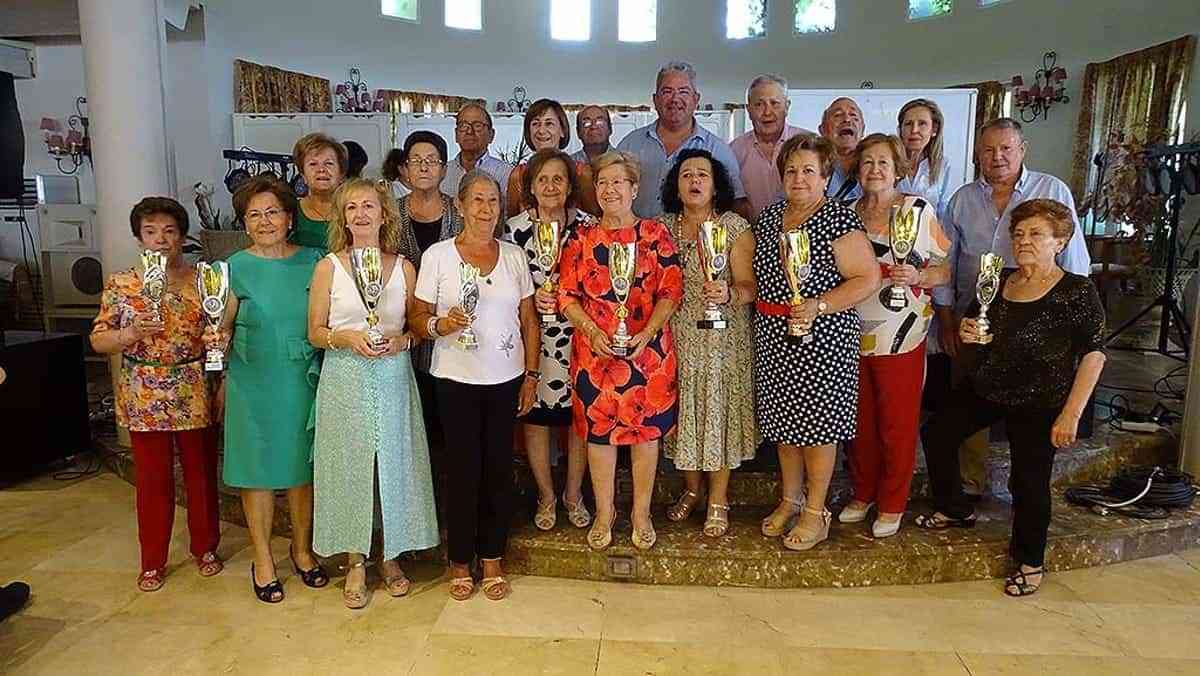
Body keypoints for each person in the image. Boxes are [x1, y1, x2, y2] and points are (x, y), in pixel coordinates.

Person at [919, 198, 1106, 597]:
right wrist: (968, 334)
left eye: (1036, 234)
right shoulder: (998, 279)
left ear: (1060, 241)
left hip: (1042, 399)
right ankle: (956, 508)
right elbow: (975, 327)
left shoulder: (1076, 290)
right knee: (938, 432)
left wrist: (1071, 414)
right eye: (1018, 234)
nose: (1024, 241)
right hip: (989, 386)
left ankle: (1030, 560)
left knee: (1029, 480)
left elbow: (1094, 354)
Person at [936, 118, 1092, 499]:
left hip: (1038, 326)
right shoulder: (962, 199)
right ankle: (970, 486)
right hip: (975, 320)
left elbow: (1075, 263)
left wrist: (1070, 327)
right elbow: (947, 263)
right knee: (965, 410)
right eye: (988, 150)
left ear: (1022, 150)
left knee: (1030, 425)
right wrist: (946, 318)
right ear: (978, 155)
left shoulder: (1050, 189)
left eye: (1006, 148)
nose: (997, 157)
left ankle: (1025, 496)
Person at [307, 178, 438, 609]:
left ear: (384, 214)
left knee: (395, 465)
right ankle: (356, 559)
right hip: (345, 376)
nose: (361, 215)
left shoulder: (403, 267)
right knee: (350, 468)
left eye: (368, 207)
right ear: (342, 218)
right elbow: (315, 332)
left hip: (393, 376)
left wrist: (403, 342)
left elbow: (415, 328)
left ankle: (393, 555)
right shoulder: (329, 266)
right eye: (351, 209)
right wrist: (345, 339)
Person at [410, 170, 539, 602]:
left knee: (499, 471)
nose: (486, 210)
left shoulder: (515, 256)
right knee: (463, 471)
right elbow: (416, 317)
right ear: (460, 205)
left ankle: (493, 558)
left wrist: (532, 376)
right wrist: (438, 324)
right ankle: (460, 560)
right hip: (454, 379)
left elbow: (529, 320)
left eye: (493, 202)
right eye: (478, 201)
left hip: (506, 378)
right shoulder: (438, 256)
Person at [752, 134, 880, 551]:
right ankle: (790, 500)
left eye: (809, 170)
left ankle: (816, 511)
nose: (799, 178)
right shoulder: (770, 217)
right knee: (785, 427)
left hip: (823, 337)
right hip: (775, 336)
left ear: (826, 176)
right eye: (791, 170)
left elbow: (867, 278)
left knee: (818, 430)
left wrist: (819, 305)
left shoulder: (838, 218)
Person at [90, 197, 223, 592]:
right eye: (151, 232)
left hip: (194, 387)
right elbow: (99, 339)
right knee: (152, 480)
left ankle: (206, 548)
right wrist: (130, 334)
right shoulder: (122, 283)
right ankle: (153, 560)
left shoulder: (203, 280)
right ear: (139, 237)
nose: (161, 240)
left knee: (201, 476)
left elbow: (214, 333)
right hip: (145, 393)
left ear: (181, 237)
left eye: (169, 231)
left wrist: (219, 349)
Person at [558, 151, 683, 551]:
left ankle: (641, 513)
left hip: (648, 355)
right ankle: (604, 512)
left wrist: (648, 331)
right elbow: (565, 295)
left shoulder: (655, 234)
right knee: (599, 437)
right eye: (603, 183)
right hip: (595, 357)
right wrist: (591, 330)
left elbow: (671, 289)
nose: (610, 189)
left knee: (645, 437)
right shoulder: (581, 237)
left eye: (618, 182)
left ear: (633, 188)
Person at [218, 176, 327, 603]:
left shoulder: (315, 260)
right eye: (254, 214)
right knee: (257, 473)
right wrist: (215, 341)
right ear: (245, 223)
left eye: (273, 212)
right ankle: (263, 559)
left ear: (289, 218)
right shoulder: (231, 268)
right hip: (252, 379)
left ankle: (301, 550)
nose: (265, 221)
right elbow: (219, 326)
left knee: (303, 472)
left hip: (303, 378)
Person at [842, 134, 950, 538]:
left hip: (901, 331)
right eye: (867, 162)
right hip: (851, 328)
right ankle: (863, 492)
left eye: (883, 162)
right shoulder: (846, 212)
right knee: (859, 422)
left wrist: (920, 275)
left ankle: (892, 501)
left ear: (898, 167)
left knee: (896, 422)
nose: (874, 170)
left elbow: (944, 269)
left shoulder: (918, 210)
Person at [658, 149, 759, 537]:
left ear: (716, 184)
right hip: (677, 337)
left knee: (718, 416)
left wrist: (729, 294)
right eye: (686, 175)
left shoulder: (734, 227)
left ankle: (718, 498)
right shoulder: (663, 228)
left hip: (723, 341)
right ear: (676, 185)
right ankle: (691, 489)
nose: (694, 181)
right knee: (683, 416)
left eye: (702, 174)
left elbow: (750, 286)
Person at [506, 148, 594, 532]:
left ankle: (573, 493)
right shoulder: (513, 229)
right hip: (533, 337)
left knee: (579, 421)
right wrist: (530, 297)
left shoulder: (590, 226)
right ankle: (545, 494)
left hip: (581, 336)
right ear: (530, 186)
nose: (551, 186)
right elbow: (503, 286)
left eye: (559, 178)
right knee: (536, 419)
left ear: (571, 185)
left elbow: (605, 282)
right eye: (543, 179)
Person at [395, 131, 466, 443]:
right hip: (400, 330)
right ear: (405, 169)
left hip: (453, 332)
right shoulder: (389, 213)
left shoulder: (461, 212)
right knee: (410, 424)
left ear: (444, 168)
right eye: (416, 161)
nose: (424, 167)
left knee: (448, 426)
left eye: (432, 161)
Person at [618, 61, 749, 220]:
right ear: (655, 99)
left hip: (695, 241)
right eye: (667, 91)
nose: (675, 99)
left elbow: (736, 204)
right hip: (637, 240)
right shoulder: (630, 144)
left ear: (696, 99)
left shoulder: (717, 150)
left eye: (683, 92)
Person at [729, 74, 810, 220]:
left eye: (775, 103)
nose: (767, 112)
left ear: (787, 107)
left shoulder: (808, 144)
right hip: (752, 238)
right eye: (759, 104)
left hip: (804, 235)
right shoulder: (734, 150)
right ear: (748, 110)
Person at [506, 98, 599, 218]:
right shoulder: (518, 175)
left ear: (562, 130)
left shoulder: (581, 173)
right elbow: (510, 223)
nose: (541, 130)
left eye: (549, 123)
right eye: (535, 124)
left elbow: (594, 222)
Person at [442, 102, 514, 205]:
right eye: (463, 125)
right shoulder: (443, 173)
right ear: (456, 134)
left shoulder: (507, 174)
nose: (469, 131)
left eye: (477, 126)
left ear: (491, 135)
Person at [896, 98, 955, 219]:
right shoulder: (888, 161)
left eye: (922, 123)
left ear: (934, 130)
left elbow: (945, 214)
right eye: (908, 124)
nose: (914, 130)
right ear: (900, 129)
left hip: (929, 234)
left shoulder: (943, 166)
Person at [291, 133, 348, 252]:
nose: (321, 170)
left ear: (341, 174)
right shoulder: (290, 212)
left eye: (329, 163)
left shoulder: (355, 211)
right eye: (313, 164)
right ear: (303, 175)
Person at [818, 97, 865, 202]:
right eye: (838, 115)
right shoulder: (813, 166)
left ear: (863, 130)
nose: (847, 120)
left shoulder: (875, 167)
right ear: (822, 130)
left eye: (853, 116)